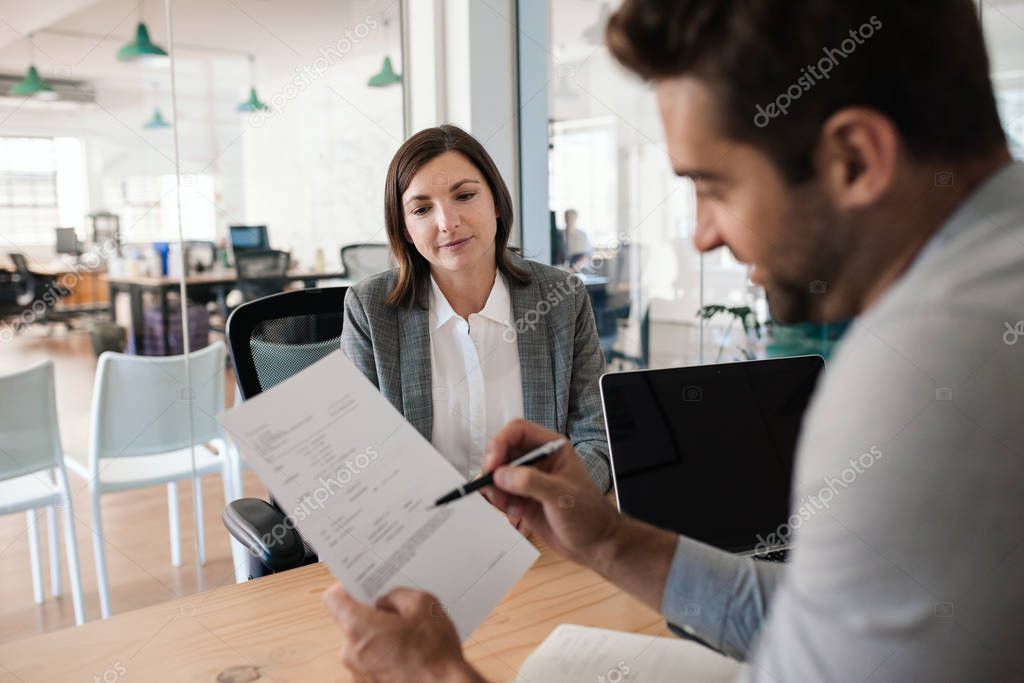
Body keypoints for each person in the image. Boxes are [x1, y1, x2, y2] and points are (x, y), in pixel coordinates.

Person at [324, 1, 1024, 680]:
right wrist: (607, 538)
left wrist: (437, 673)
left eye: (711, 185)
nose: (701, 232)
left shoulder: (922, 374)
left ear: (855, 158)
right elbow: (819, 621)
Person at [341, 125, 610, 493]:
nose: (447, 223)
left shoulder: (562, 298)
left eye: (465, 196)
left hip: (538, 531)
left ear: (496, 203)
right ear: (404, 229)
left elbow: (596, 441)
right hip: (427, 535)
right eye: (421, 209)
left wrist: (544, 499)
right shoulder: (369, 310)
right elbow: (361, 458)